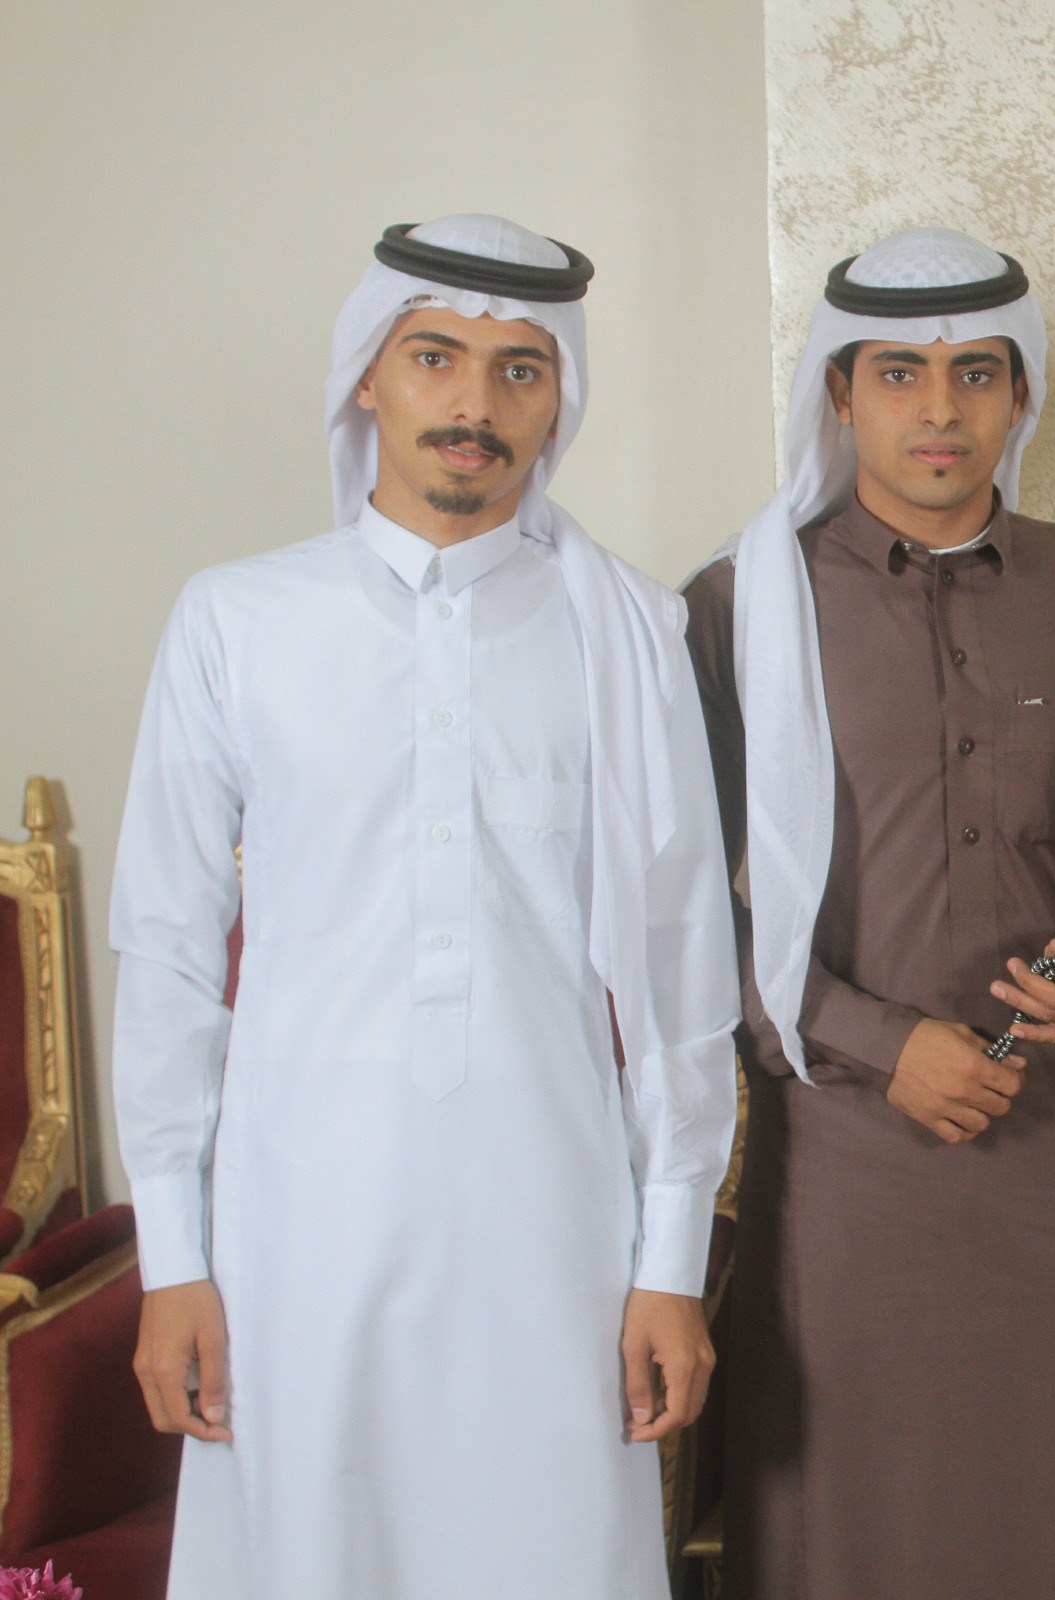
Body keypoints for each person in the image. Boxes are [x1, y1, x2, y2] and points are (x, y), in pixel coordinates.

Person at [113, 215, 738, 1600]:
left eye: (521, 369)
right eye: (436, 358)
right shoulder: (237, 621)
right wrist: (173, 1258)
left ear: (559, 398)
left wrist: (671, 1258)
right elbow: (165, 952)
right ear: (367, 375)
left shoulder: (628, 634)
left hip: (554, 1227)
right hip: (297, 1223)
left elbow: (684, 963)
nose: (475, 404)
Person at [681, 226, 1055, 1600]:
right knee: (874, 1528)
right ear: (839, 393)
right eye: (899, 374)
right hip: (848, 1158)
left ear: (1021, 394)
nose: (940, 409)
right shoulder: (740, 607)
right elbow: (678, 910)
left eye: (977, 372)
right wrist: (882, 1043)